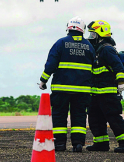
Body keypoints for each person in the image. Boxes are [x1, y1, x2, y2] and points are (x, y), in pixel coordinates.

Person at [38, 16, 95, 152]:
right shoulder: (89, 46)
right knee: (79, 116)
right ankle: (78, 144)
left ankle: (59, 144)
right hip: (82, 90)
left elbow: (51, 64)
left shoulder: (60, 43)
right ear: (82, 29)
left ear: (68, 27)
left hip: (61, 89)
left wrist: (43, 80)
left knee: (59, 116)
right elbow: (94, 66)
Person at [85, 20, 124, 153]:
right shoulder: (97, 50)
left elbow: (117, 66)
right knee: (95, 119)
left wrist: (121, 82)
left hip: (108, 92)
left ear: (101, 34)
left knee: (113, 118)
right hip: (96, 93)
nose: (91, 38)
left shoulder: (106, 49)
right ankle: (101, 144)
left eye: (93, 35)